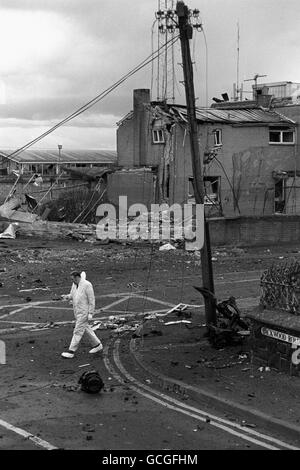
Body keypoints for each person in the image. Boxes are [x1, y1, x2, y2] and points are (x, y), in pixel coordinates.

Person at [61, 271, 103, 359]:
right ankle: (97, 345)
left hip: (84, 312)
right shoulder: (74, 284)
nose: (72, 281)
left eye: (72, 279)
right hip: (77, 311)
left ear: (77, 277)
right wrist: (67, 296)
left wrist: (91, 312)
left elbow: (91, 299)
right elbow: (73, 294)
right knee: (86, 329)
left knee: (78, 330)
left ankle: (71, 351)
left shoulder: (87, 285)